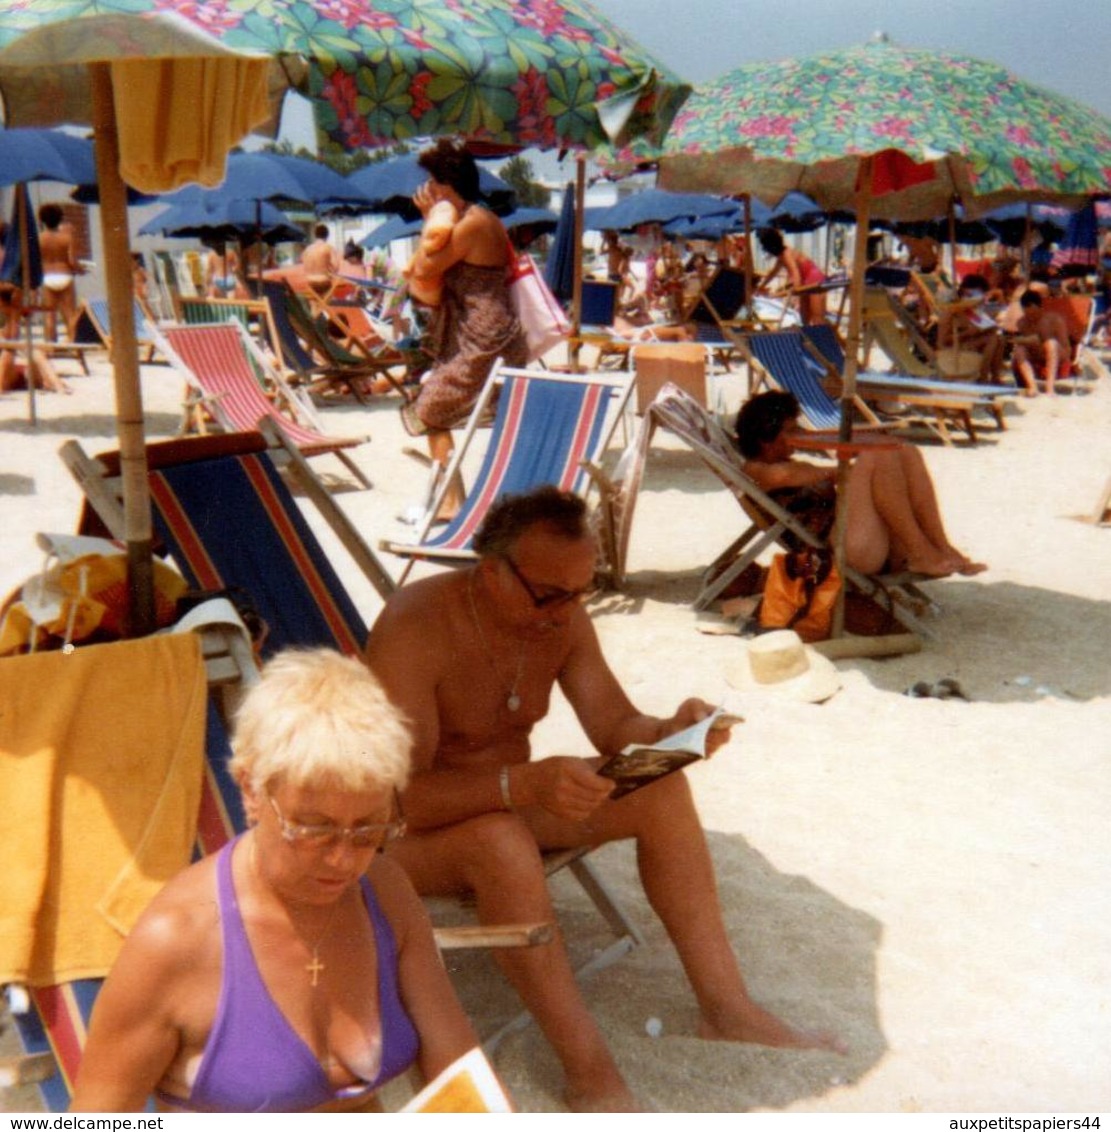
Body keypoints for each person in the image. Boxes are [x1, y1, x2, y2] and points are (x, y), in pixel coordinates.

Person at [365, 487, 841, 1112]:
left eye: (581, 592)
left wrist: (672, 732)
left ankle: (728, 1008)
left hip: (501, 803)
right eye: (551, 595)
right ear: (491, 573)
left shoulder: (558, 612)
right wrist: (520, 785)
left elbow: (614, 723)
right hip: (399, 838)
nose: (567, 610)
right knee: (501, 843)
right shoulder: (417, 625)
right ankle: (588, 1071)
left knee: (661, 788)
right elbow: (399, 802)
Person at [70, 648, 479, 1113]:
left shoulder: (384, 891)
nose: (344, 860)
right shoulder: (176, 943)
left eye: (369, 829)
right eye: (314, 828)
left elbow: (458, 1076)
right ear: (250, 790)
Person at [399, 138, 527, 520]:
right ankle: (452, 497)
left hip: (484, 336)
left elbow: (424, 268)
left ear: (442, 187)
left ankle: (454, 501)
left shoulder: (472, 224)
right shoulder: (477, 218)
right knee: (436, 407)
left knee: (431, 407)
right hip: (483, 332)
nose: (425, 193)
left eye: (431, 186)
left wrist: (428, 221)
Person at [735, 390, 985, 578]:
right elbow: (790, 477)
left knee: (905, 450)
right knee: (877, 454)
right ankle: (919, 552)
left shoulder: (798, 465)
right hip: (842, 554)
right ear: (765, 439)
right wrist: (858, 469)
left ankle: (941, 546)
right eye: (791, 429)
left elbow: (836, 476)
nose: (799, 433)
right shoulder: (755, 471)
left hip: (867, 542)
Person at [935, 273, 1005, 381]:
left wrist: (987, 328)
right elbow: (942, 342)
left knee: (999, 339)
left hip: (967, 343)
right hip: (951, 350)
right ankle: (984, 375)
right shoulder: (950, 312)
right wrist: (967, 333)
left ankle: (995, 376)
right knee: (993, 339)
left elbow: (998, 311)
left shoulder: (973, 311)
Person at [754, 227, 826, 326]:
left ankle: (822, 337)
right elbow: (773, 273)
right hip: (805, 279)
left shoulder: (786, 254)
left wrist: (796, 294)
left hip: (814, 278)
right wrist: (761, 286)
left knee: (816, 316)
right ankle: (808, 336)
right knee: (804, 315)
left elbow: (795, 273)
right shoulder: (781, 256)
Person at [1010, 288, 1072, 397]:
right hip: (1036, 352)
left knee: (1051, 344)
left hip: (1059, 352)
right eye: (1026, 311)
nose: (1029, 315)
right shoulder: (1022, 322)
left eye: (1032, 311)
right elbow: (1026, 342)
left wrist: (1041, 340)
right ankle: (1032, 386)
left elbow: (1064, 344)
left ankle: (1050, 387)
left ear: (1038, 307)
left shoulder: (1053, 320)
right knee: (1019, 349)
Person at [37, 202, 83, 342]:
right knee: (70, 314)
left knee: (50, 315)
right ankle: (73, 344)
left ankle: (51, 346)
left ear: (42, 220)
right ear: (60, 219)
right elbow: (72, 261)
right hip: (65, 275)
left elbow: (36, 261)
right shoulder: (67, 237)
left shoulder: (39, 238)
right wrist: (80, 270)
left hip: (47, 276)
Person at [301, 224, 341, 297]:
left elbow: (303, 263)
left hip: (310, 281)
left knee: (314, 302)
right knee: (327, 300)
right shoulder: (328, 248)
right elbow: (336, 266)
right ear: (327, 235)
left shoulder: (307, 249)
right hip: (323, 281)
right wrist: (329, 270)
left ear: (315, 235)